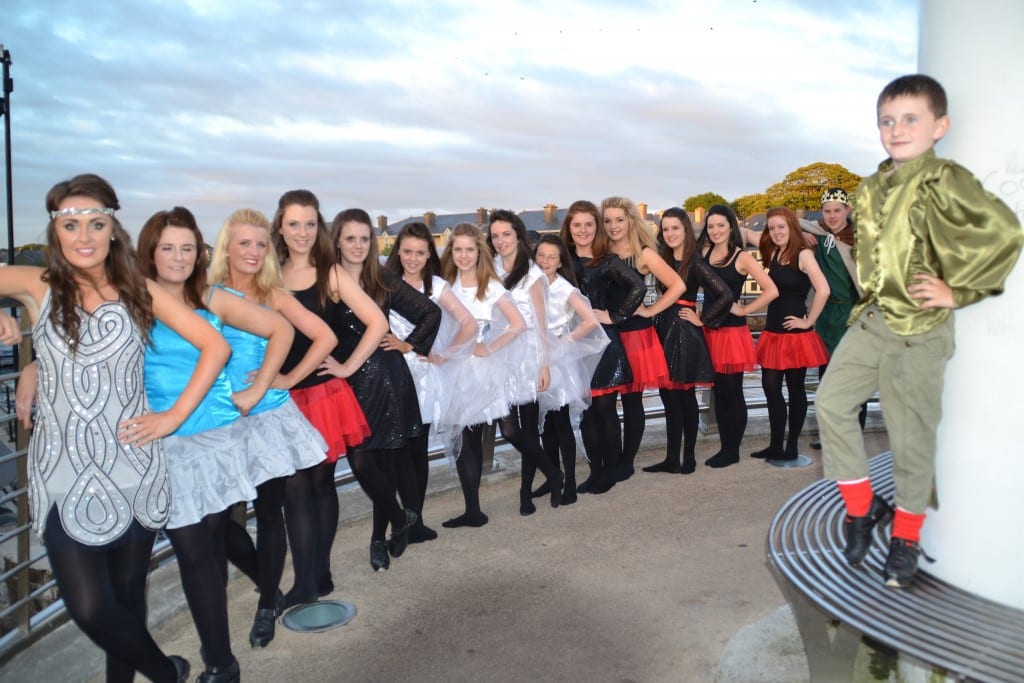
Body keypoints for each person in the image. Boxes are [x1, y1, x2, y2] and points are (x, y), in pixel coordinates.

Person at [2, 174, 228, 683]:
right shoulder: (38, 286)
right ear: (55, 232)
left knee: (127, 600)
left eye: (96, 223)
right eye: (72, 224)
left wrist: (172, 418)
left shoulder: (139, 290)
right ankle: (166, 674)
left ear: (112, 231)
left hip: (135, 466)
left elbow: (216, 348)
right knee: (89, 608)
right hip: (63, 472)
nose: (84, 236)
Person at [816, 74, 1022, 588]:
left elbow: (1004, 234)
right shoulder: (868, 188)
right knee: (830, 403)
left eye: (910, 118)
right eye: (887, 120)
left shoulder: (945, 179)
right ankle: (862, 509)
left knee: (910, 437)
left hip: (921, 330)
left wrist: (960, 291)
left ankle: (906, 538)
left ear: (939, 126)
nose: (897, 128)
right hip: (873, 320)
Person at [137, 207, 297, 681]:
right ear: (149, 251)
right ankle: (228, 650)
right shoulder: (131, 299)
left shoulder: (210, 297)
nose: (179, 257)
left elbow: (281, 330)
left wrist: (258, 388)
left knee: (199, 548)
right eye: (168, 247)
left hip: (211, 434)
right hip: (159, 442)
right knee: (202, 545)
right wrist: (34, 366)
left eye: (188, 248)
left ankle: (219, 661)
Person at [210, 203, 349, 608]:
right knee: (222, 517)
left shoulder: (274, 295)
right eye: (244, 243)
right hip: (222, 416)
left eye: (259, 244)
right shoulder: (205, 292)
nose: (253, 251)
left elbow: (325, 337)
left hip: (270, 412)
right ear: (226, 248)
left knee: (286, 502)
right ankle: (266, 580)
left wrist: (287, 378)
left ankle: (292, 589)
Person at [268, 192, 389, 579]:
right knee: (292, 491)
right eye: (293, 224)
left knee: (320, 484)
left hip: (322, 396)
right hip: (280, 398)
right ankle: (308, 572)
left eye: (309, 224)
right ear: (280, 227)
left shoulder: (330, 272)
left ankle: (320, 571)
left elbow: (378, 323)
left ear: (318, 228)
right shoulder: (267, 274)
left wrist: (347, 367)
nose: (302, 233)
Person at [328, 208, 439, 570]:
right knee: (363, 461)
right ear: (337, 242)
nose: (358, 246)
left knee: (385, 461)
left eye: (364, 239)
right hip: (351, 383)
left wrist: (409, 343)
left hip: (388, 379)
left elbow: (430, 313)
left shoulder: (384, 279)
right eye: (350, 238)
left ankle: (380, 538)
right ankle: (400, 519)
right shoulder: (326, 281)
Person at [383, 222, 477, 540]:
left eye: (420, 253)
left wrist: (444, 354)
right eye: (407, 251)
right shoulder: (384, 283)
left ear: (429, 255)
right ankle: (399, 519)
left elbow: (468, 323)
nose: (413, 258)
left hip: (422, 376)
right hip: (388, 375)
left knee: (416, 449)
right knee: (393, 452)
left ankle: (415, 521)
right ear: (398, 252)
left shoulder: (436, 286)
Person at [439, 223, 527, 527]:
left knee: (470, 438)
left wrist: (489, 348)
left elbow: (518, 324)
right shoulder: (443, 283)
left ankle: (473, 511)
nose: (464, 255)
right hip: (450, 368)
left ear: (480, 252)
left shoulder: (489, 285)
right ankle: (472, 509)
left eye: (470, 249)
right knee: (463, 438)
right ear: (451, 251)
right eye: (458, 249)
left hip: (477, 371)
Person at [559, 200, 645, 494]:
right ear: (568, 229)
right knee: (586, 412)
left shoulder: (607, 260)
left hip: (602, 343)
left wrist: (615, 316)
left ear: (596, 229)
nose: (583, 230)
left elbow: (639, 286)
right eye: (577, 225)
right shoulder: (562, 262)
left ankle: (609, 472)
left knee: (605, 409)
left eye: (588, 225)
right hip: (574, 344)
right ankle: (595, 470)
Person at [602, 196, 684, 481]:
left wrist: (650, 311)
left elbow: (678, 285)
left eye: (619, 220)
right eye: (608, 220)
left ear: (631, 221)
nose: (614, 226)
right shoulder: (601, 252)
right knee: (607, 403)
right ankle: (610, 457)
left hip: (636, 335)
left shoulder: (644, 254)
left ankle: (627, 460)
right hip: (608, 335)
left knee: (633, 400)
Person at [643, 208, 731, 475]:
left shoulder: (695, 261)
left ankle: (688, 457)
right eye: (665, 229)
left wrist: (703, 319)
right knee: (668, 398)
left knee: (685, 397)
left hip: (683, 333)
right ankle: (671, 458)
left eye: (675, 228)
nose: (670, 233)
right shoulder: (662, 258)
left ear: (685, 230)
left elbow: (725, 294)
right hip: (662, 329)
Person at [488, 210, 564, 515]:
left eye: (506, 234)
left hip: (529, 351)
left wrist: (544, 364)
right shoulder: (490, 268)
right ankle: (554, 473)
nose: (500, 240)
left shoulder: (533, 274)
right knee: (509, 428)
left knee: (528, 428)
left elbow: (542, 322)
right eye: (495, 235)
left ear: (518, 235)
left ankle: (525, 494)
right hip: (500, 351)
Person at [698, 204, 778, 469]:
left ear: (731, 227)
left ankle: (731, 450)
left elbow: (770, 290)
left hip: (732, 333)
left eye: (721, 225)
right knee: (719, 392)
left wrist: (744, 308)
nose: (716, 230)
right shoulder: (705, 252)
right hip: (710, 331)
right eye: (711, 226)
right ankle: (725, 446)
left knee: (733, 393)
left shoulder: (742, 257)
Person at [531, 234, 607, 504]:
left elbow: (589, 320)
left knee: (561, 423)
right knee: (546, 426)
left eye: (551, 257)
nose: (545, 261)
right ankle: (554, 476)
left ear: (560, 260)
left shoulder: (564, 289)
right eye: (541, 255)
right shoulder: (530, 285)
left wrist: (565, 341)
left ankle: (571, 483)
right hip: (537, 359)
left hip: (560, 363)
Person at [752, 207, 830, 462]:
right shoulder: (773, 251)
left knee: (796, 390)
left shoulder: (804, 254)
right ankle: (776, 445)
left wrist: (808, 322)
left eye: (781, 227)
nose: (776, 232)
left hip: (795, 336)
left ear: (792, 228)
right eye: (772, 227)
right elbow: (742, 232)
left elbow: (823, 290)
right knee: (771, 390)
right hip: (772, 334)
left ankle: (792, 445)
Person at [797, 188, 866, 449]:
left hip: (852, 313)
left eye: (837, 210)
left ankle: (853, 435)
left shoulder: (859, 237)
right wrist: (802, 234)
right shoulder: (816, 232)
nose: (832, 216)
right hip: (826, 315)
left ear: (847, 210)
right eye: (827, 211)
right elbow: (779, 221)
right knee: (826, 379)